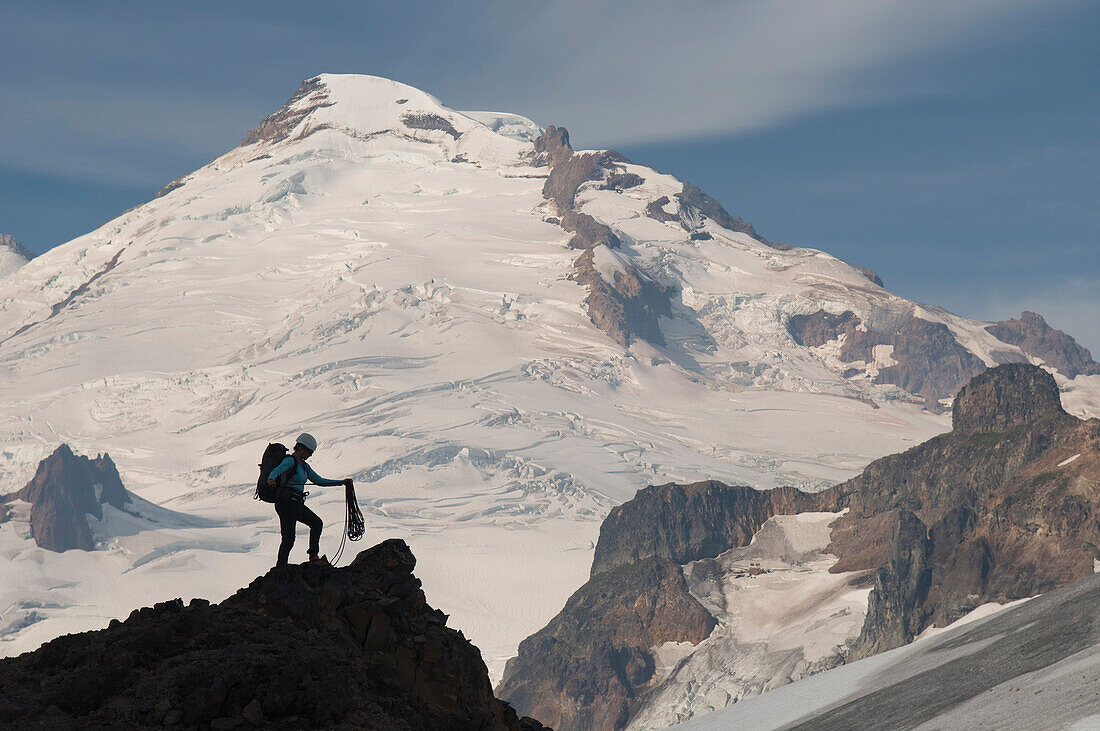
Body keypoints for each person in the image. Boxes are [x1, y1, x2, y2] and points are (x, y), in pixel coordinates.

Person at [268, 432, 353, 566]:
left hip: (295, 503)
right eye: (309, 452)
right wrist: (271, 479)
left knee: (315, 524)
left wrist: (340, 482)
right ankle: (281, 567)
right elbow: (276, 471)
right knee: (289, 538)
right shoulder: (290, 461)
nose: (310, 455)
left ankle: (312, 557)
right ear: (301, 448)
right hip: (286, 503)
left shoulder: (304, 467)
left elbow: (319, 481)